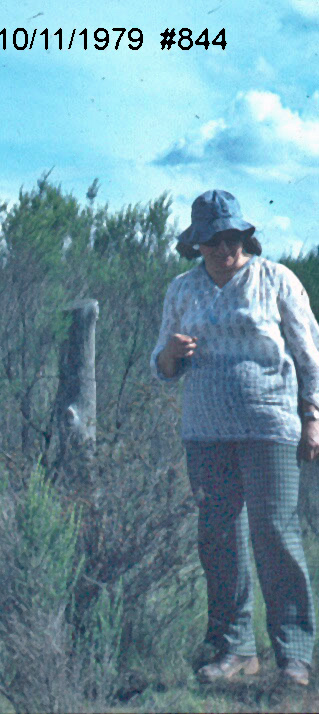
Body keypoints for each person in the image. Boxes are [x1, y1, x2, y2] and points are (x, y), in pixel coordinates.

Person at [152, 189, 319, 686]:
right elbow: (161, 365)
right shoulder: (182, 290)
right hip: (205, 433)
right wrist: (173, 353)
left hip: (270, 426)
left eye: (234, 239)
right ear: (197, 245)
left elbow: (309, 352)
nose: (227, 251)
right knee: (219, 539)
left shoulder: (276, 280)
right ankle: (236, 648)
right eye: (215, 242)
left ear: (246, 238)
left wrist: (313, 415)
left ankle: (294, 654)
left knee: (275, 533)